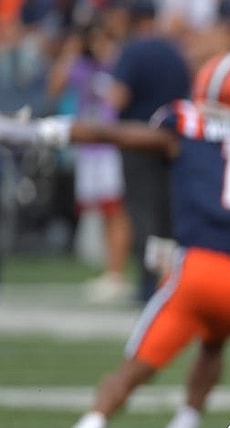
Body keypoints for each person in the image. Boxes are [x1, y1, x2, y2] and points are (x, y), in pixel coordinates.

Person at [0, 50, 230, 428]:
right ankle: (185, 427)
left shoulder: (186, 126)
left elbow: (114, 134)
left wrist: (37, 133)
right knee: (213, 345)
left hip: (198, 269)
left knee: (135, 367)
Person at [106, 0, 191, 304]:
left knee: (142, 214)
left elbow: (118, 98)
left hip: (137, 141)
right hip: (170, 142)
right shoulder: (175, 52)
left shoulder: (132, 51)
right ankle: (168, 281)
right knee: (166, 215)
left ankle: (147, 286)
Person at [47, 18, 133, 302]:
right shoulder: (81, 66)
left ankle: (117, 272)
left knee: (114, 209)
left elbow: (120, 96)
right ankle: (110, 271)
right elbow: (55, 86)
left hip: (109, 144)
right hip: (89, 147)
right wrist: (71, 49)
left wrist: (106, 47)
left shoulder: (116, 62)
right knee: (101, 210)